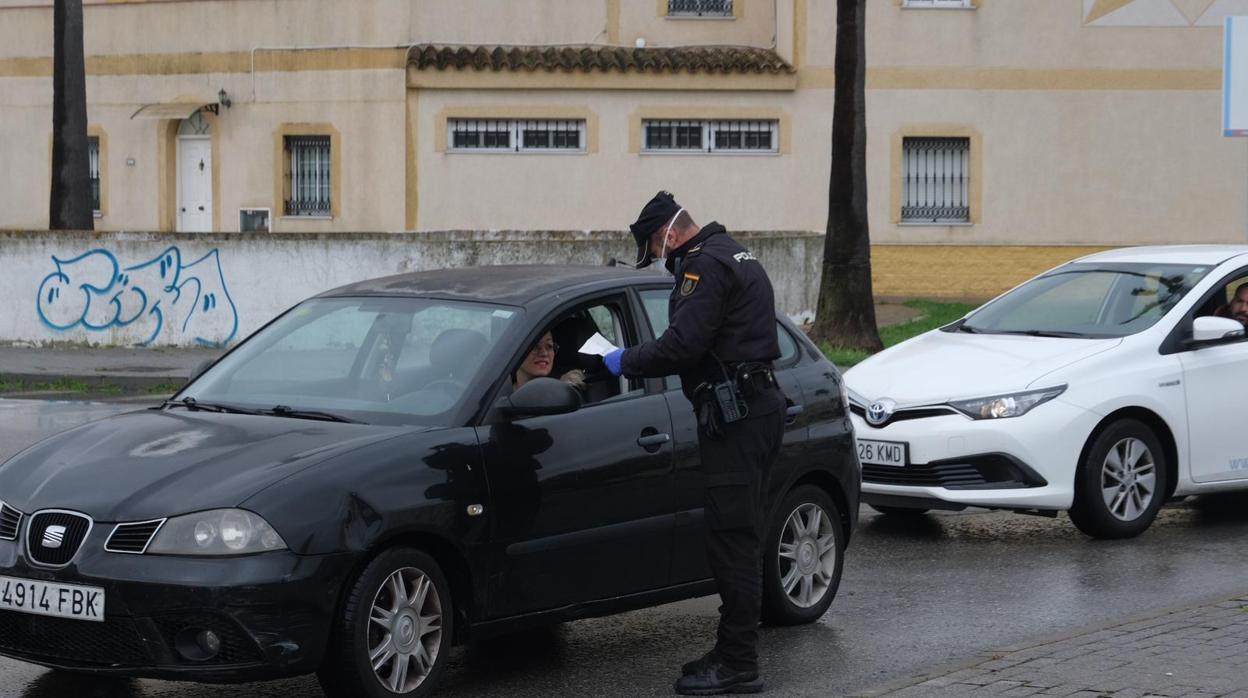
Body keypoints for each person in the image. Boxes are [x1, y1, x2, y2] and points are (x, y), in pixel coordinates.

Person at [602, 191, 784, 695]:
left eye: (659, 250)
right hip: (756, 409)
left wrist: (625, 360)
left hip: (738, 417)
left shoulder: (703, 267)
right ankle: (731, 650)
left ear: (670, 235)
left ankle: (738, 663)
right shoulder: (735, 253)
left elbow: (684, 344)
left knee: (733, 542)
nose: (663, 261)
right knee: (738, 536)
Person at [514, 331, 585, 391]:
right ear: (516, 351)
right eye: (534, 346)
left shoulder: (568, 386)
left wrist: (563, 389)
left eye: (549, 346)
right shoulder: (504, 393)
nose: (544, 353)